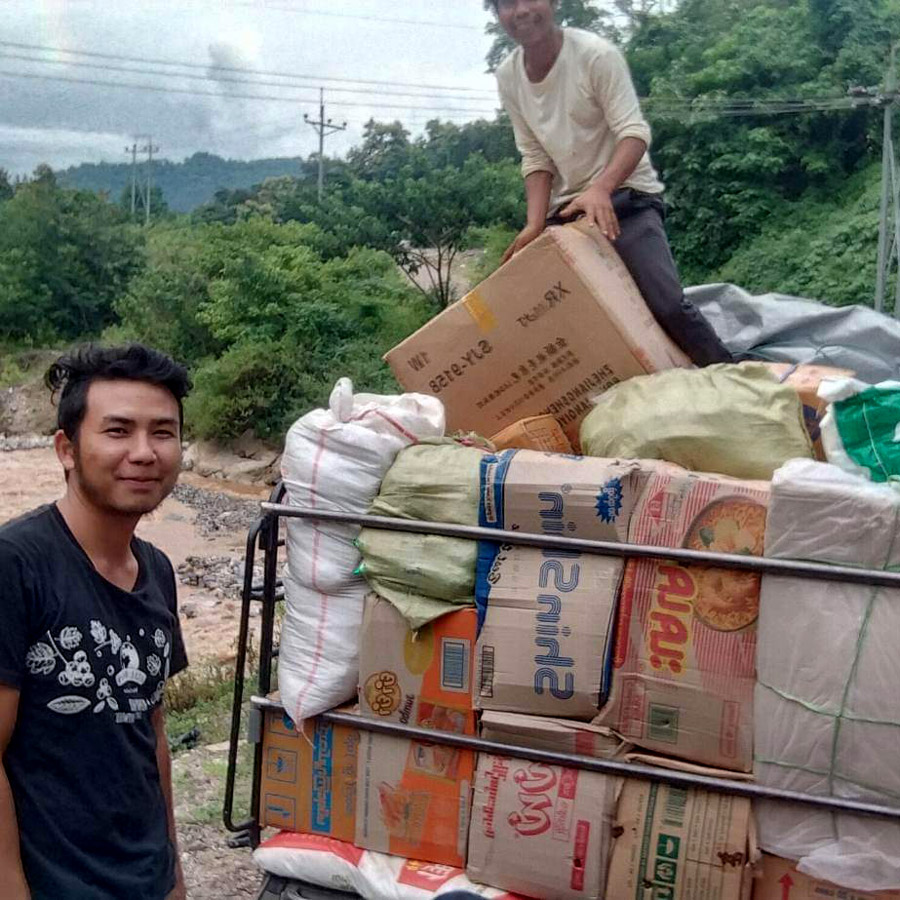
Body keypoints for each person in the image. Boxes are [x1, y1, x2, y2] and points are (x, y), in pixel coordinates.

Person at [0, 344, 191, 900]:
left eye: (162, 432)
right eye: (117, 431)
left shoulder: (156, 569)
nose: (144, 452)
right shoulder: (16, 565)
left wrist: (174, 874)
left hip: (144, 879)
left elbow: (150, 735)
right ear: (66, 448)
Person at [491, 0, 732, 366]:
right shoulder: (508, 76)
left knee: (667, 306)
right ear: (497, 14)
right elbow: (536, 156)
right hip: (568, 211)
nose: (521, 10)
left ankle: (737, 380)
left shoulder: (595, 56)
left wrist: (601, 187)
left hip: (625, 197)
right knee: (548, 319)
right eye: (507, 3)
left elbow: (633, 132)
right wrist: (534, 224)